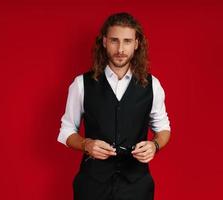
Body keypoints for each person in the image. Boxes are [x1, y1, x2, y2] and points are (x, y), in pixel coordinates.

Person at [57, 12, 171, 200]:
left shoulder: (153, 85)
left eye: (127, 41)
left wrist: (155, 145)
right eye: (114, 41)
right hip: (92, 186)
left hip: (137, 186)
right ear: (104, 41)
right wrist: (86, 144)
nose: (120, 49)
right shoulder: (81, 84)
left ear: (136, 44)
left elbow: (164, 128)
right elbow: (67, 130)